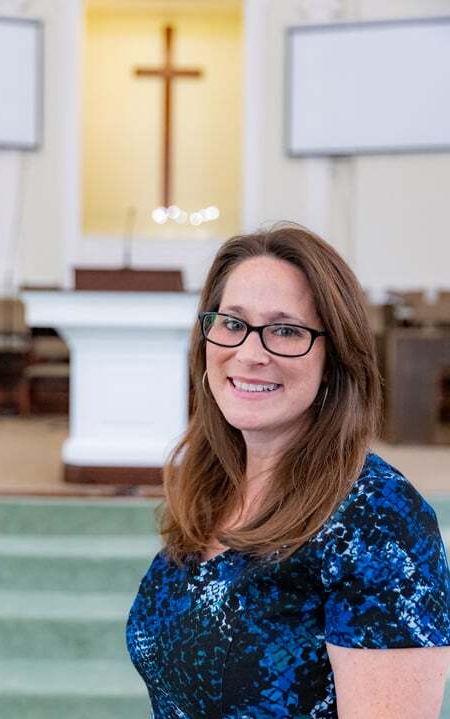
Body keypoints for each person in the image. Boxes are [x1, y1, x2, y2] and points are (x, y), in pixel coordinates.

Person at [126, 223, 450, 718]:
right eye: (232, 323)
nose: (249, 354)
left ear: (335, 358)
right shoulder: (216, 485)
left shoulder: (378, 519)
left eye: (286, 331)